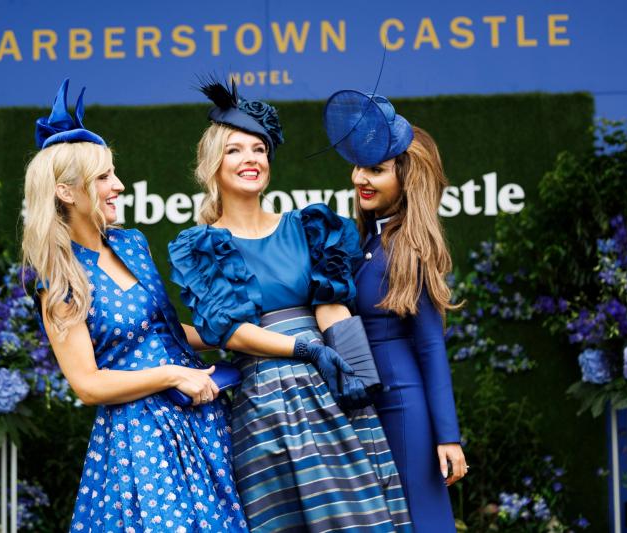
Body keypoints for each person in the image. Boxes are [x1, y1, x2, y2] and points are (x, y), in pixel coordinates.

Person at [167, 78, 412, 533]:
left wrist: (353, 369)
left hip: (331, 392)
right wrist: (306, 350)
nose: (250, 160)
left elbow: (331, 308)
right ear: (213, 164)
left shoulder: (309, 227)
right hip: (264, 408)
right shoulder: (203, 247)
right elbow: (234, 332)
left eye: (259, 149)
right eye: (235, 150)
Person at [21, 79, 248, 532]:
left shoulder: (132, 243)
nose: (119, 186)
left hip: (197, 422)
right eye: (103, 177)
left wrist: (243, 336)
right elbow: (87, 384)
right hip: (138, 440)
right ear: (67, 192)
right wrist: (172, 375)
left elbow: (166, 334)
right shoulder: (58, 277)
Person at [323, 89, 468, 532]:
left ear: (407, 180)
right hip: (363, 406)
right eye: (360, 167)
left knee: (420, 522)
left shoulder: (412, 247)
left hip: (404, 410)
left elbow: (430, 347)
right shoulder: (363, 242)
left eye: (376, 170)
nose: (359, 178)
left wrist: (448, 436)